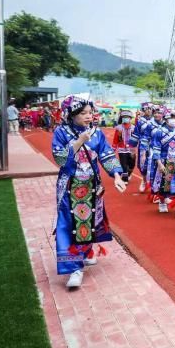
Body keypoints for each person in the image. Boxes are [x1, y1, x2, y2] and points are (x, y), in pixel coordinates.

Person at [52, 95, 127, 288]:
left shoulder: (97, 133)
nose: (88, 116)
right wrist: (78, 142)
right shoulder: (61, 132)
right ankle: (74, 268)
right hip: (70, 186)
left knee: (89, 221)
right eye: (83, 113)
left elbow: (107, 154)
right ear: (71, 114)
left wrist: (117, 175)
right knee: (68, 224)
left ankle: (85, 252)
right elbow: (60, 160)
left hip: (92, 187)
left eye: (90, 112)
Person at [150, 108, 175, 213]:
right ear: (166, 119)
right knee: (163, 183)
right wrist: (159, 163)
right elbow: (156, 148)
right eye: (171, 118)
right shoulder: (159, 132)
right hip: (163, 160)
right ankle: (162, 202)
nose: (174, 120)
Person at [130, 103, 154, 193]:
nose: (149, 110)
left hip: (154, 145)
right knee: (142, 164)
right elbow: (136, 134)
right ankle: (144, 180)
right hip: (143, 146)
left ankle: (153, 184)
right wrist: (132, 148)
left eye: (150, 109)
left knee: (154, 164)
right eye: (147, 109)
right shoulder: (140, 121)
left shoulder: (156, 120)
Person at [112, 109, 136, 183]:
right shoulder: (118, 128)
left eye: (127, 117)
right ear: (122, 118)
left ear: (130, 118)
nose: (125, 118)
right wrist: (113, 149)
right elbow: (115, 139)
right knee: (123, 164)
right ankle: (125, 179)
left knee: (132, 165)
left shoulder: (134, 128)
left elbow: (136, 138)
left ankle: (128, 174)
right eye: (124, 117)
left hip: (131, 149)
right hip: (122, 149)